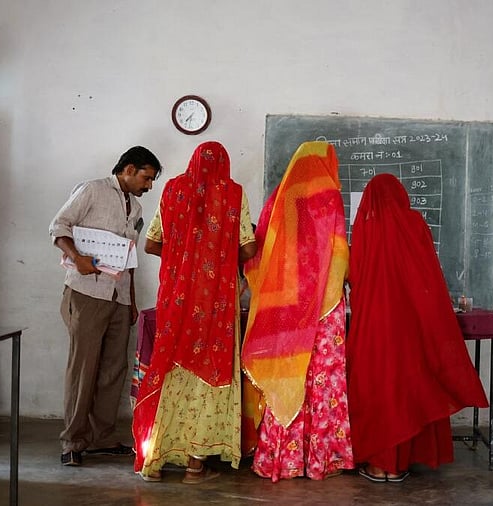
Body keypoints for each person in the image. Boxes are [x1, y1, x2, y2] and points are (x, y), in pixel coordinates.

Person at [347, 173, 489, 482]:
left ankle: (377, 464)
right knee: (406, 390)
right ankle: (399, 465)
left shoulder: (364, 228)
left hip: (372, 325)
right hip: (409, 327)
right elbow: (427, 276)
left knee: (376, 388)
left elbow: (354, 276)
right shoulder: (415, 224)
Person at [132, 141, 256, 484]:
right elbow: (247, 247)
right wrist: (219, 253)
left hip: (177, 297)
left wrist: (185, 255)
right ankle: (194, 466)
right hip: (216, 301)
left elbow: (152, 243)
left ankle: (154, 460)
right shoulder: (233, 193)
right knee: (208, 373)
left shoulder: (173, 190)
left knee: (169, 367)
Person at [242, 141, 354, 481]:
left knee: (287, 376)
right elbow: (338, 255)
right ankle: (321, 459)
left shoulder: (279, 197)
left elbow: (259, 251)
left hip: (286, 308)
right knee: (323, 381)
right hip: (324, 307)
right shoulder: (329, 196)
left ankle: (280, 459)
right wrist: (336, 288)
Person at [49, 145, 162, 467]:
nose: (149, 186)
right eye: (146, 177)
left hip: (119, 296)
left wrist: (132, 302)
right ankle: (72, 441)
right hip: (86, 292)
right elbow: (58, 227)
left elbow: (130, 256)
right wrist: (77, 258)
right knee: (83, 369)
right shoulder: (92, 190)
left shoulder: (136, 208)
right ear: (128, 168)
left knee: (114, 369)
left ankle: (102, 437)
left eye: (152, 180)